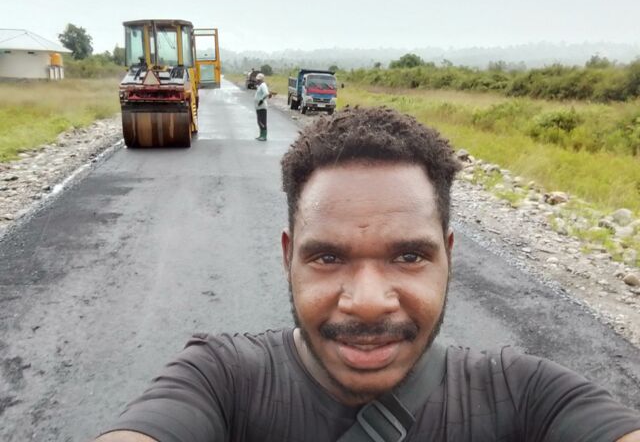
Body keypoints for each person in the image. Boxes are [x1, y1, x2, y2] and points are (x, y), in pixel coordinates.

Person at [96, 107, 640, 442]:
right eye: (328, 258)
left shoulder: (529, 395)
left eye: (408, 257)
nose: (369, 301)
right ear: (288, 257)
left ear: (448, 256)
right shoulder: (220, 382)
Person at [254, 73, 269, 141]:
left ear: (261, 80)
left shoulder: (263, 85)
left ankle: (264, 136)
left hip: (262, 106)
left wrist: (261, 100)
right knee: (259, 121)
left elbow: (266, 93)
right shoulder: (260, 86)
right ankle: (261, 135)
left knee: (262, 122)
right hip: (259, 107)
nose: (257, 80)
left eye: (258, 80)